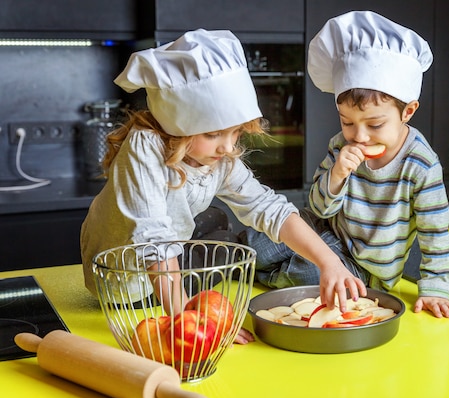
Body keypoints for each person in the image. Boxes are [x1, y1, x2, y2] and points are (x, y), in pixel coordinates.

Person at [80, 29, 367, 345]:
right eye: (214, 135)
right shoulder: (144, 146)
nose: (228, 147)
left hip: (164, 258)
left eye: (235, 133)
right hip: (126, 283)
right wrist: (189, 327)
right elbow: (155, 240)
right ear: (179, 126)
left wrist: (329, 262)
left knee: (219, 223)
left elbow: (268, 207)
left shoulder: (221, 158)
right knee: (222, 238)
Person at [244, 11, 449, 318]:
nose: (359, 136)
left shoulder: (421, 166)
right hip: (326, 230)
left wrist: (436, 289)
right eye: (347, 122)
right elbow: (318, 209)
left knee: (309, 275)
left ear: (408, 111)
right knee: (264, 243)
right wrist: (337, 175)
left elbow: (435, 233)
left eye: (374, 125)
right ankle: (236, 249)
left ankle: (263, 275)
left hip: (363, 269)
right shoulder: (340, 145)